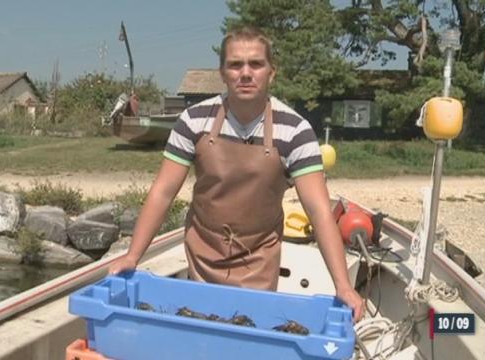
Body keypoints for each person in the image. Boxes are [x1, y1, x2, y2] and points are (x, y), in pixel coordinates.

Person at [109, 26, 364, 322]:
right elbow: (163, 192)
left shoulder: (295, 130)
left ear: (271, 73)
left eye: (256, 64)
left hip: (259, 256)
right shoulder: (193, 120)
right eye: (235, 64)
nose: (245, 73)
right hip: (202, 250)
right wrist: (132, 256)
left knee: (248, 330)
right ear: (222, 72)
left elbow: (319, 210)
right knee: (202, 330)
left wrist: (343, 286)